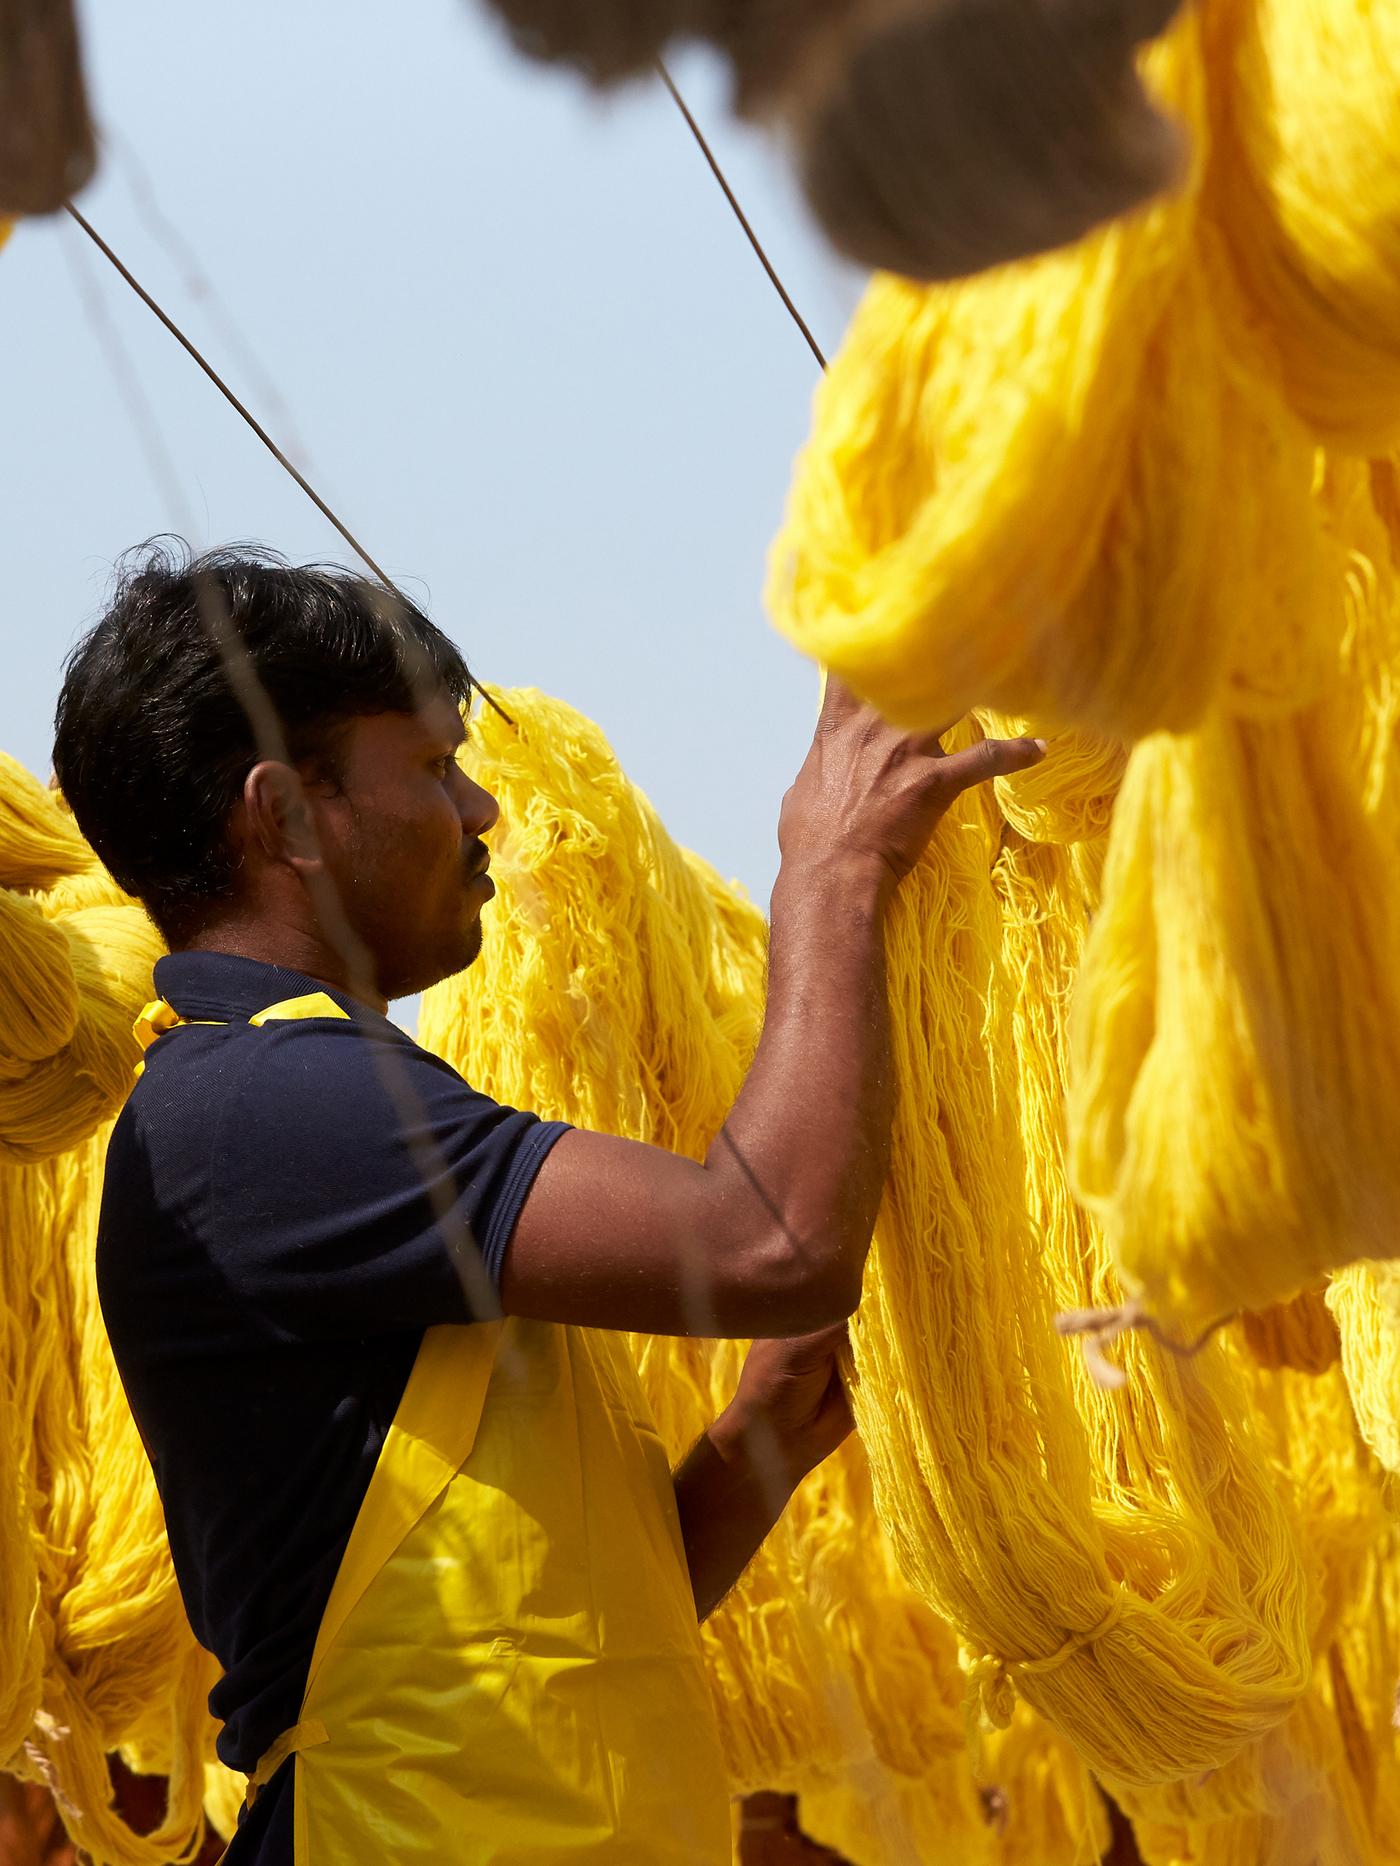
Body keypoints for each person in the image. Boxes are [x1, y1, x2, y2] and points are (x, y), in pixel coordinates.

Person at [52, 543, 1044, 1864]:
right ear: (284, 816)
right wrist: (833, 868)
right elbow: (769, 1240)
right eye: (431, 765)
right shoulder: (269, 1106)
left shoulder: (312, 1101)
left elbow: (542, 1640)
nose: (481, 809)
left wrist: (751, 1443)